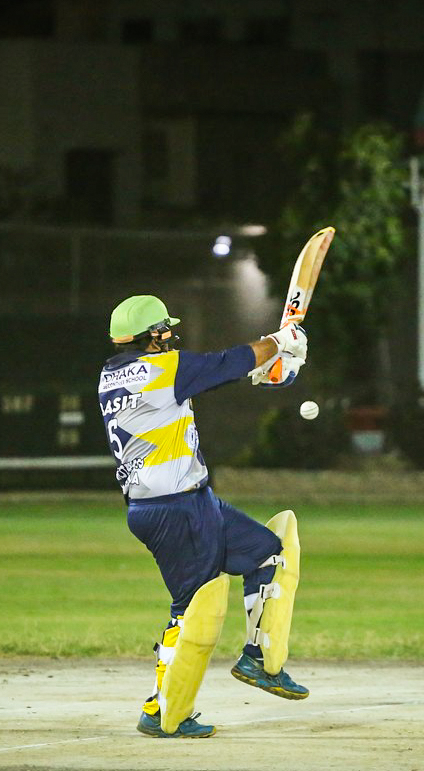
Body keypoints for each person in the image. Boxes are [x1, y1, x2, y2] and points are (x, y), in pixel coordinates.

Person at [98, 294, 310, 739]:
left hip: (185, 501)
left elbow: (212, 374)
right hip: (174, 509)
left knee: (267, 554)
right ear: (152, 336)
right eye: (165, 330)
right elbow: (224, 363)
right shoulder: (160, 369)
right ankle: (163, 713)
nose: (170, 337)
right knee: (193, 610)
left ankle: (259, 659)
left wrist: (263, 366)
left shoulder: (114, 375)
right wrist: (280, 341)